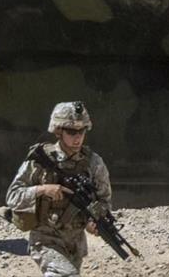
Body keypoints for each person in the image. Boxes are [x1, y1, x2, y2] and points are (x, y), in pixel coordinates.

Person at [6, 102, 112, 277]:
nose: (77, 137)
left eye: (81, 131)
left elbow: (104, 200)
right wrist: (42, 189)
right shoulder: (41, 160)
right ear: (58, 131)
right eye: (71, 132)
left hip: (75, 245)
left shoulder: (94, 163)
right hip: (45, 241)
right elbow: (13, 196)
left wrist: (94, 222)